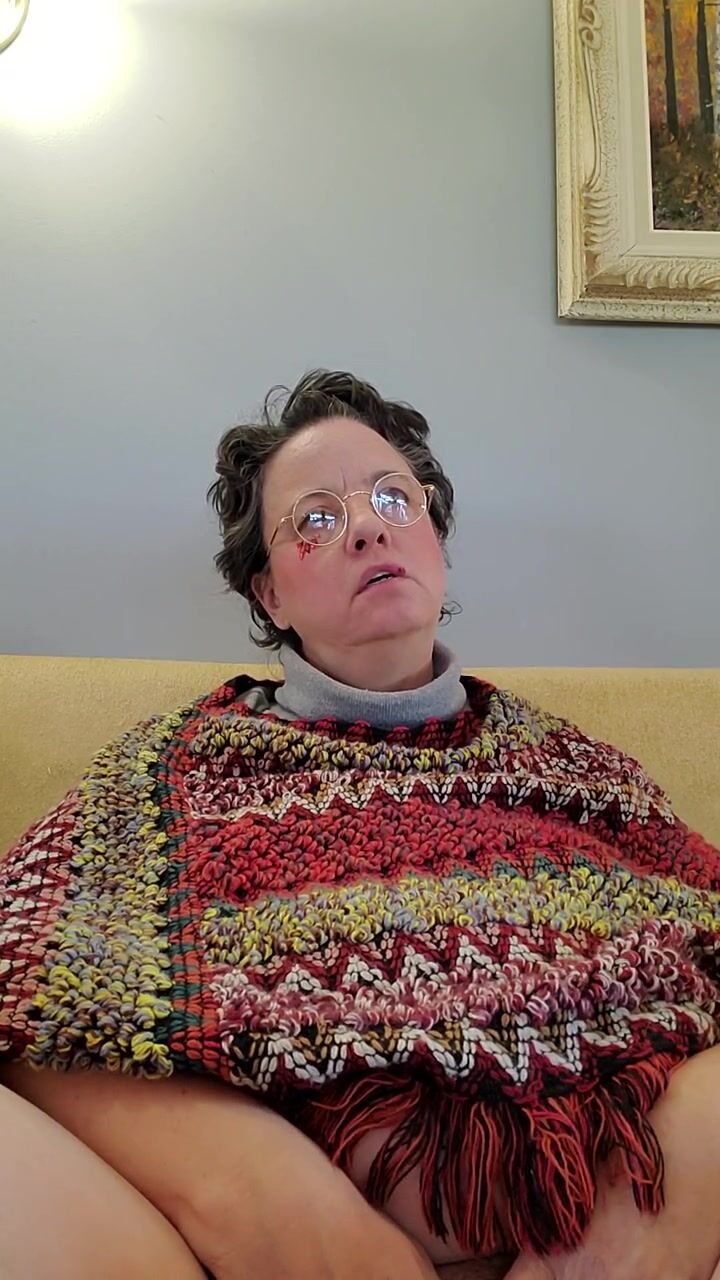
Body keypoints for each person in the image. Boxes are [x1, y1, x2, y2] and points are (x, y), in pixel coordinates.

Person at [1, 369, 720, 1280]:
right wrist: (273, 1199)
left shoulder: (579, 772)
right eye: (315, 518)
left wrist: (679, 1172)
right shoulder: (174, 772)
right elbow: (23, 976)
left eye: (392, 499)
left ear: (434, 537)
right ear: (268, 595)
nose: (370, 528)